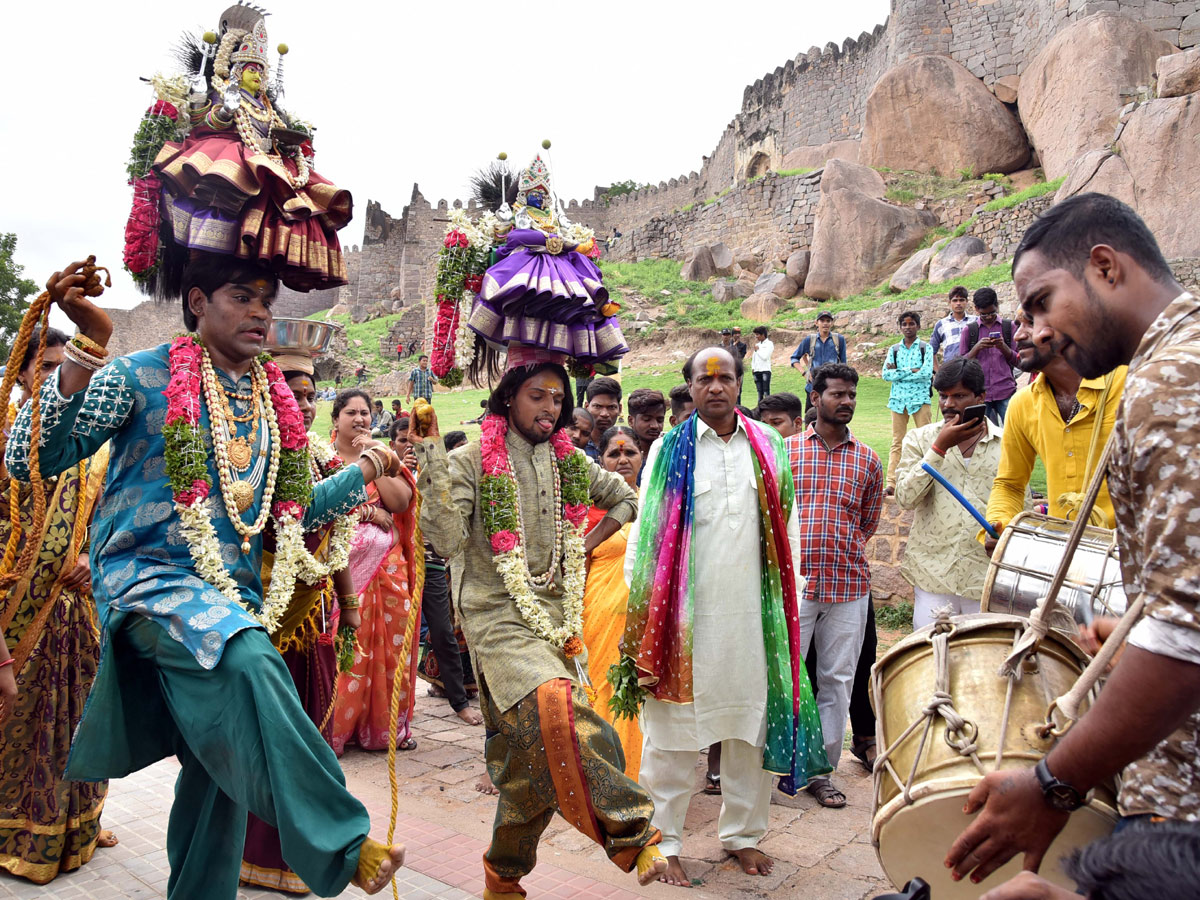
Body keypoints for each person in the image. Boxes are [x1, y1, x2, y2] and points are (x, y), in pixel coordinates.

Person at [5, 256, 405, 898]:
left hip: (229, 596)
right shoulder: (139, 374)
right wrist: (88, 345)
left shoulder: (274, 405)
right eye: (241, 297)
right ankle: (342, 842)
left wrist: (363, 474)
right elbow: (33, 457)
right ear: (195, 301)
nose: (260, 313)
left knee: (218, 776)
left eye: (266, 302)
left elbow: (294, 509)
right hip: (148, 585)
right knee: (247, 656)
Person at [946, 194, 1200, 885]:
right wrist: (1134, 633)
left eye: (1041, 302)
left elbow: (1188, 645)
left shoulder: (1171, 385)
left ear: (1105, 267)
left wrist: (1054, 785)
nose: (1034, 332)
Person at [412, 351, 668, 898]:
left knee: (528, 768)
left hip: (558, 620)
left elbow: (626, 498)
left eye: (558, 398)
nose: (550, 408)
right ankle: (631, 832)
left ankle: (502, 877)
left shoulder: (569, 460)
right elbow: (444, 539)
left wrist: (585, 543)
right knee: (557, 706)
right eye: (538, 396)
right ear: (509, 397)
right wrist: (430, 455)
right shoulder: (473, 460)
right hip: (496, 617)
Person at [625, 346, 829, 886]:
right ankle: (664, 841)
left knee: (749, 728)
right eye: (704, 378)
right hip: (683, 621)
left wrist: (795, 592)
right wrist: (643, 607)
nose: (715, 386)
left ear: (741, 384)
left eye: (726, 377)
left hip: (751, 619)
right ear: (689, 387)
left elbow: (788, 528)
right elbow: (646, 531)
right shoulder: (668, 449)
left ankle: (742, 835)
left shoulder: (768, 446)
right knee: (670, 735)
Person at [241, 342, 364, 894]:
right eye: (294, 391)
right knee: (266, 742)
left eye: (313, 394)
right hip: (260, 622)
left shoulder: (318, 458)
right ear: (269, 393)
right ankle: (253, 855)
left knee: (311, 736)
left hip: (313, 620)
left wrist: (352, 604)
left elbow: (335, 538)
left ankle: (302, 854)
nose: (305, 403)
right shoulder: (248, 456)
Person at [0, 327, 118, 884]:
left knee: (73, 726)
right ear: (22, 372)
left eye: (64, 368)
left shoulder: (90, 447)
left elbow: (111, 522)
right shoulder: (6, 438)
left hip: (75, 612)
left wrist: (94, 560)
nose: (54, 378)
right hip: (13, 613)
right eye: (45, 368)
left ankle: (73, 828)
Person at [786, 363, 884, 808]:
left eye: (851, 395)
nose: (845, 401)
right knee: (784, 680)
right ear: (814, 396)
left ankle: (820, 772)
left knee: (838, 680)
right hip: (794, 587)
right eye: (837, 394)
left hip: (848, 588)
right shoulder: (785, 452)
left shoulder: (868, 459)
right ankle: (778, 762)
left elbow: (867, 523)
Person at [982, 310, 1126, 549]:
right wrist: (1000, 523)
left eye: (1031, 322)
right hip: (1064, 556)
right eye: (1019, 324)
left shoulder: (1129, 384)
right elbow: (1010, 484)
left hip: (1134, 558)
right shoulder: (1022, 403)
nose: (1017, 335)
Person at [331, 390, 422, 755]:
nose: (359, 419)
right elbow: (316, 507)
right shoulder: (324, 458)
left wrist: (376, 456)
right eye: (350, 412)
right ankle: (335, 730)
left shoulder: (382, 454)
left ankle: (380, 731)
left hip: (388, 570)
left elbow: (400, 501)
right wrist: (368, 513)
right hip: (342, 571)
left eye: (365, 413)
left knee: (389, 650)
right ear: (335, 419)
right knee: (346, 650)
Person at [894, 358, 1002, 628]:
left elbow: (1018, 505)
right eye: (943, 396)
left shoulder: (1008, 442)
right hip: (934, 575)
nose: (948, 404)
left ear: (981, 397)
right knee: (931, 660)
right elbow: (905, 498)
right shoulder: (919, 440)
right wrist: (939, 448)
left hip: (985, 577)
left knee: (981, 664)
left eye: (960, 396)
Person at [581, 425, 645, 780]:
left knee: (639, 696)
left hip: (644, 617)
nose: (622, 459)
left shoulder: (656, 504)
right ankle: (600, 774)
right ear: (600, 460)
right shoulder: (587, 511)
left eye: (630, 452)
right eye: (613, 454)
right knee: (602, 689)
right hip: (599, 616)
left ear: (642, 456)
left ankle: (636, 775)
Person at [882, 311, 934, 496]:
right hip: (898, 400)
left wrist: (899, 371)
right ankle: (892, 483)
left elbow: (926, 373)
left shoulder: (925, 348)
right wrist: (909, 370)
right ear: (900, 327)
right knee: (897, 441)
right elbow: (886, 374)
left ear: (918, 326)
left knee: (926, 440)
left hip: (920, 399)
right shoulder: (894, 350)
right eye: (904, 324)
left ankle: (930, 481)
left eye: (911, 324)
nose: (908, 327)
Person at [960, 287, 1020, 424]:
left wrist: (1003, 347)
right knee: (984, 435)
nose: (988, 317)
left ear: (997, 306)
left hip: (1005, 390)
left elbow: (1019, 361)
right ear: (976, 309)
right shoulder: (969, 331)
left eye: (992, 313)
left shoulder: (1009, 327)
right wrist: (976, 349)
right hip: (980, 394)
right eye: (983, 314)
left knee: (1014, 432)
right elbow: (961, 363)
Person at [790, 312, 847, 413]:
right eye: (822, 321)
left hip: (832, 387)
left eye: (828, 321)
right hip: (813, 387)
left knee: (831, 418)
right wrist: (805, 373)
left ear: (832, 323)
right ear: (816, 323)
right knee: (811, 417)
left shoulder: (839, 340)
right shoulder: (810, 340)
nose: (825, 323)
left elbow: (844, 364)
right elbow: (794, 358)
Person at [929, 285, 976, 370]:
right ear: (949, 302)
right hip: (950, 369)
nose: (958, 303)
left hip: (972, 368)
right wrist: (938, 371)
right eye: (955, 300)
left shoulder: (975, 321)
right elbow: (931, 350)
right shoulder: (941, 324)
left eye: (961, 300)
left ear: (967, 301)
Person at [625, 388, 665, 483]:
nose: (655, 426)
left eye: (660, 420)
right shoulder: (622, 456)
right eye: (647, 419)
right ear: (631, 421)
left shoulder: (668, 453)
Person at [584, 376, 623, 458]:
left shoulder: (626, 444)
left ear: (620, 409)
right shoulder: (575, 443)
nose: (604, 414)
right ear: (586, 407)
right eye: (598, 406)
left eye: (611, 407)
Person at [750, 326, 774, 404]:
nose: (756, 336)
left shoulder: (769, 344)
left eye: (757, 334)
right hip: (757, 370)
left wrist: (758, 350)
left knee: (766, 391)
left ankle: (768, 408)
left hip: (765, 370)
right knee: (759, 392)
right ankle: (759, 409)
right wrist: (753, 367)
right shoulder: (757, 345)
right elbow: (754, 357)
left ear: (763, 334)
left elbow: (765, 357)